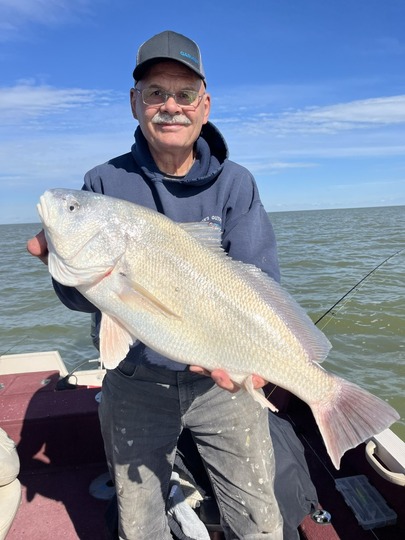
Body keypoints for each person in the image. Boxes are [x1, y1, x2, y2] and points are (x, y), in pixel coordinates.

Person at [28, 30, 285, 539]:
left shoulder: (237, 183)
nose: (171, 106)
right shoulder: (103, 183)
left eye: (184, 94)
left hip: (220, 384)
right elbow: (82, 298)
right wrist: (67, 268)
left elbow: (261, 281)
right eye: (155, 93)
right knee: (140, 523)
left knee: (259, 520)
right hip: (135, 383)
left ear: (204, 105)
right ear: (135, 104)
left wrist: (259, 362)